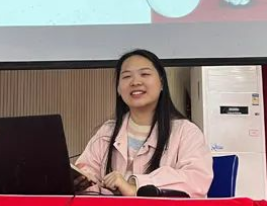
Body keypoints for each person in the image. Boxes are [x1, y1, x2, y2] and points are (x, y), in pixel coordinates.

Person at [74, 50, 213, 197]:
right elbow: (87, 170)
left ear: (162, 83)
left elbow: (196, 180)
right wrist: (83, 181)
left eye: (145, 74)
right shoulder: (107, 131)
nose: (135, 82)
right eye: (127, 76)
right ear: (119, 89)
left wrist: (136, 186)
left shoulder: (186, 132)